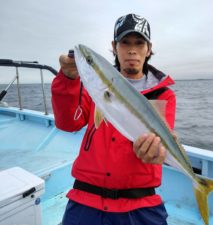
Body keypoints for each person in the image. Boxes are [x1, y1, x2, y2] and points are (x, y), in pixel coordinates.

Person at [51, 13, 176, 225]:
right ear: (115, 46)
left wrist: (156, 152)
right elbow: (68, 123)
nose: (132, 50)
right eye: (125, 42)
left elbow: (162, 144)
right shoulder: (94, 85)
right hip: (86, 198)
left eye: (139, 43)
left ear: (148, 48)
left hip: (140, 203)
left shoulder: (162, 94)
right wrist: (69, 79)